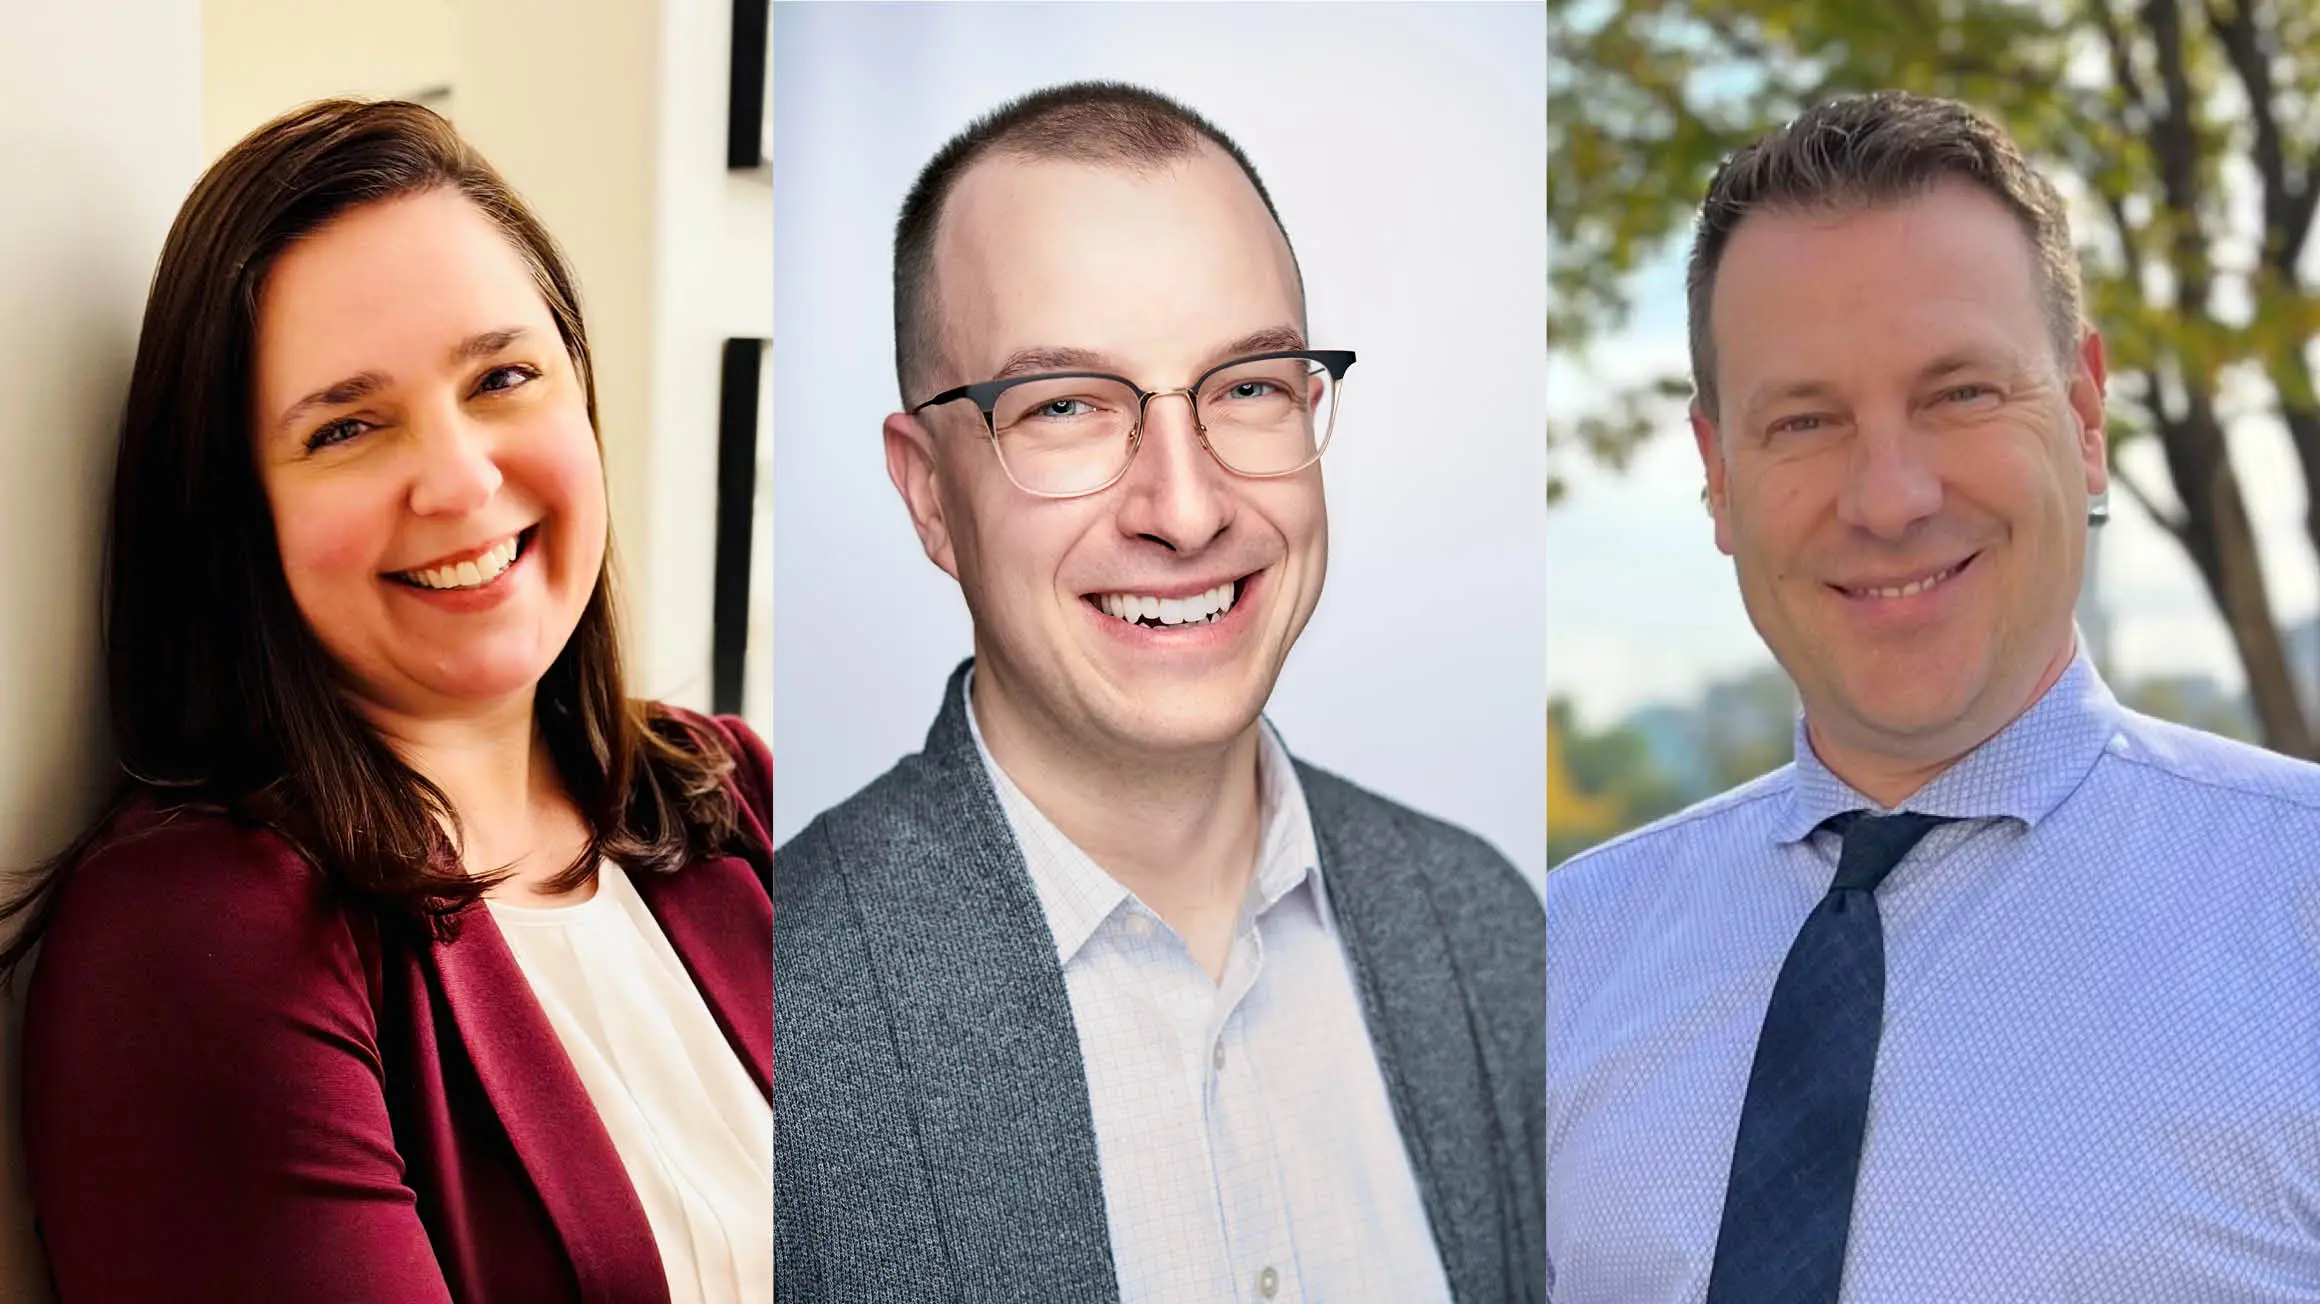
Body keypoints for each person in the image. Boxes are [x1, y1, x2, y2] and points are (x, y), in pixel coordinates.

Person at [774, 82, 1544, 1304]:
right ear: (928, 494)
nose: (1185, 511)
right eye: (1066, 407)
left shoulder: (1490, 932)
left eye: (1247, 386)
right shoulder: (779, 1002)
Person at [1545, 90, 2320, 1303]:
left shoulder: (2296, 911)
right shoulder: (1558, 961)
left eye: (1958, 393)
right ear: (1718, 476)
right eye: (1804, 419)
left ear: (2083, 416)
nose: (1889, 497)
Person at [10, 100, 772, 1303]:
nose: (459, 480)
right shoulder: (198, 936)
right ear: (236, 513)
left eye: (503, 376)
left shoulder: (741, 791)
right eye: (347, 427)